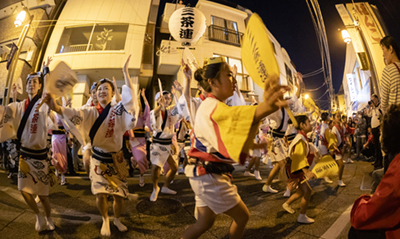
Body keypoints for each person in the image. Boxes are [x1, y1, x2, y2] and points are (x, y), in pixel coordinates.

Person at [182, 56, 289, 239]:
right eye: (229, 75)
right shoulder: (212, 106)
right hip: (209, 176)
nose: (234, 80)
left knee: (204, 223)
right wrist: (266, 106)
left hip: (202, 175)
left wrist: (254, 143)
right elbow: (241, 117)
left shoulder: (212, 106)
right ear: (213, 82)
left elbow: (228, 135)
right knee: (242, 216)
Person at [44, 55, 139, 237]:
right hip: (98, 158)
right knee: (100, 194)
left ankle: (117, 219)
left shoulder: (118, 110)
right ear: (96, 93)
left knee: (119, 195)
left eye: (107, 89)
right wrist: (56, 108)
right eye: (100, 89)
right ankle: (105, 219)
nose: (103, 91)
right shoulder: (90, 111)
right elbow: (73, 113)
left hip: (116, 159)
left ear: (113, 93)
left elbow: (129, 103)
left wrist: (125, 72)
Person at [0, 57, 57, 232]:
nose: (32, 84)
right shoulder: (17, 106)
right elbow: (4, 113)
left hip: (40, 156)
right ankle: (38, 215)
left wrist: (46, 71)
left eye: (35, 82)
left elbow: (49, 93)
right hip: (25, 155)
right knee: (24, 191)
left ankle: (48, 217)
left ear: (39, 86)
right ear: (26, 86)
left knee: (43, 195)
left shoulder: (42, 104)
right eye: (29, 82)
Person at [349, 104, 400, 239]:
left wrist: (363, 200)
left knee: (355, 232)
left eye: (382, 130)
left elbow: (364, 216)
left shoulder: (398, 168)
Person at [281, 115, 317, 223]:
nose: (310, 124)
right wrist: (307, 172)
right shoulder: (300, 139)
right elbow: (299, 157)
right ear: (302, 125)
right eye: (308, 122)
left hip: (293, 169)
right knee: (307, 191)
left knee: (301, 191)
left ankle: (286, 204)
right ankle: (302, 216)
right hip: (295, 170)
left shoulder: (301, 137)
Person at [129, 88, 151, 187]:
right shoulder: (131, 115)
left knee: (143, 159)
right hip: (134, 140)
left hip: (142, 140)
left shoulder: (142, 116)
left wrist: (143, 97)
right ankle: (134, 159)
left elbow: (148, 109)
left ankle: (141, 175)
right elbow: (127, 125)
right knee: (140, 158)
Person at [380, 36, 400, 114]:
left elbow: (384, 103)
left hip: (395, 119)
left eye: (383, 49)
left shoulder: (388, 70)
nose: (383, 54)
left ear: (390, 49)